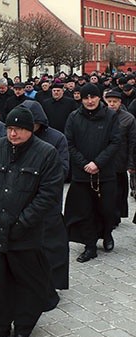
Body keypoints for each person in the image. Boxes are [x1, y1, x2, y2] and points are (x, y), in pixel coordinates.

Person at [0, 107, 62, 337]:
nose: (13, 133)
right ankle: (0, 326)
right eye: (10, 128)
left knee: (27, 282)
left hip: (26, 234)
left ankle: (23, 328)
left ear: (30, 129)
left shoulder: (46, 153)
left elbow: (49, 194)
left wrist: (23, 222)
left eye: (19, 129)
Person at [65, 84, 121, 262]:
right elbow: (69, 143)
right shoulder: (73, 117)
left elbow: (115, 142)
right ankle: (90, 246)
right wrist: (85, 164)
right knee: (85, 211)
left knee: (106, 208)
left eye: (93, 97)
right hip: (82, 175)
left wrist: (97, 163)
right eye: (85, 98)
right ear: (81, 99)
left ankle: (107, 233)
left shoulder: (111, 116)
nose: (89, 101)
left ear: (99, 98)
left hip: (105, 173)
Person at [19, 100, 70, 290]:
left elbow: (63, 169)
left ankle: (53, 283)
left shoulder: (57, 139)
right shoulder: (16, 138)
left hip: (49, 202)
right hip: (22, 201)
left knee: (52, 245)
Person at [102, 90, 136, 226]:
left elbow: (133, 142)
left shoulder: (128, 119)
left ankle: (115, 216)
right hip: (104, 159)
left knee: (118, 192)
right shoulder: (101, 115)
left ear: (120, 103)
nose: (111, 104)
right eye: (109, 101)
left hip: (120, 160)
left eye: (114, 102)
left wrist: (131, 163)